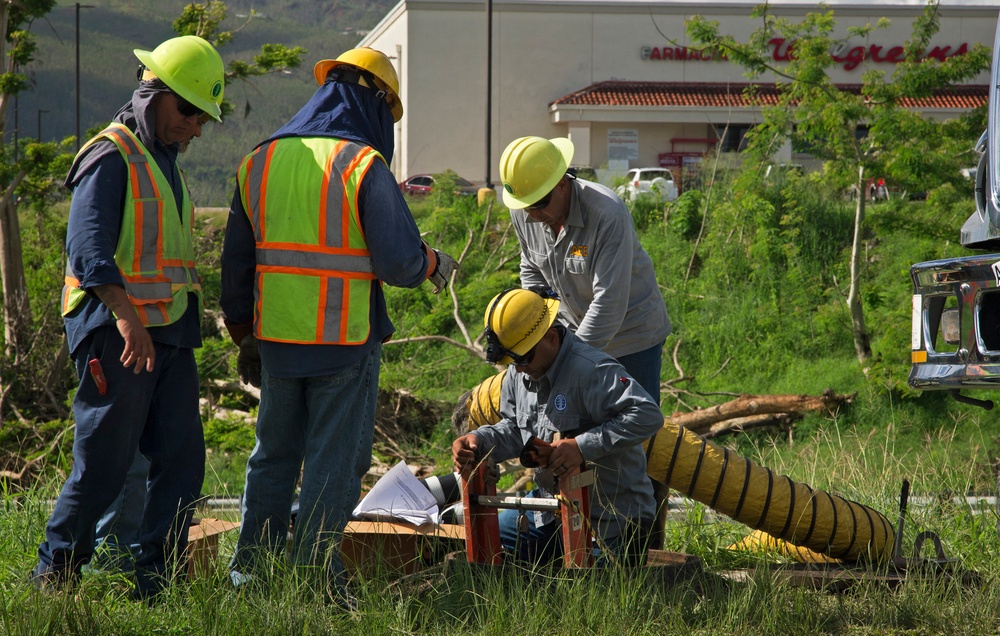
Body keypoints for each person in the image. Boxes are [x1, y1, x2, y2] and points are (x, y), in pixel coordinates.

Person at [220, 47, 457, 602]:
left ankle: (250, 577)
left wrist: (243, 334)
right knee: (333, 467)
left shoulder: (259, 160)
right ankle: (313, 581)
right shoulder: (360, 165)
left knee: (272, 458)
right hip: (342, 344)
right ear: (376, 101)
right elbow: (399, 263)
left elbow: (236, 262)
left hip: (277, 343)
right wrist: (434, 263)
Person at [31, 35, 225, 599]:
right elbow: (88, 248)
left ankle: (153, 583)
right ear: (153, 94)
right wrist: (125, 318)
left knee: (183, 465)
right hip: (117, 335)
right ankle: (54, 575)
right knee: (104, 468)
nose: (194, 126)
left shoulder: (164, 162)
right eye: (187, 110)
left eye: (203, 119)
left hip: (168, 337)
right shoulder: (110, 155)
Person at [451, 288, 662, 566]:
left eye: (524, 359)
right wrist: (477, 440)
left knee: (592, 592)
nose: (519, 369)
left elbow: (647, 414)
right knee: (485, 548)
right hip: (549, 509)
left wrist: (581, 447)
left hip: (612, 521)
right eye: (513, 361)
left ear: (550, 337)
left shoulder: (592, 370)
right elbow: (516, 429)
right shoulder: (519, 371)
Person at [499, 136, 670, 404]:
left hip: (631, 340)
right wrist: (539, 334)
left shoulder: (606, 214)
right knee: (581, 433)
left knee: (636, 431)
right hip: (573, 335)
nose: (532, 215)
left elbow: (609, 302)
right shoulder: (525, 210)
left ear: (562, 185)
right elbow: (531, 269)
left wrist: (568, 360)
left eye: (539, 204)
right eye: (525, 206)